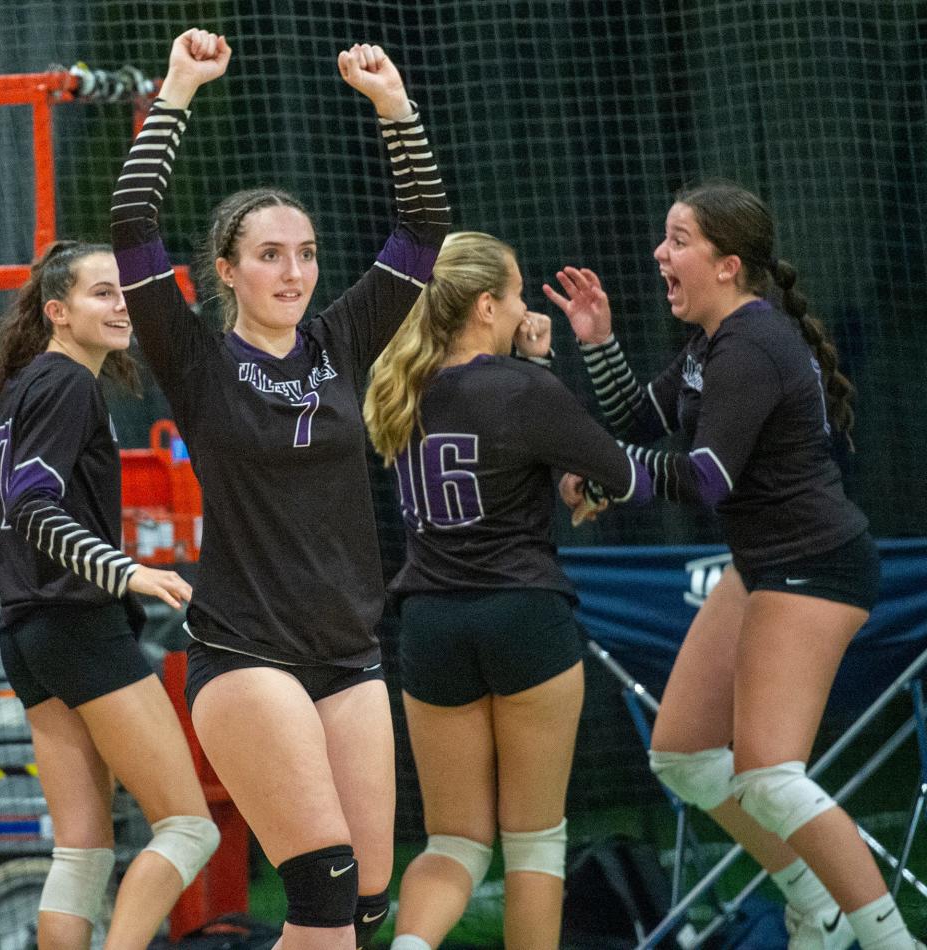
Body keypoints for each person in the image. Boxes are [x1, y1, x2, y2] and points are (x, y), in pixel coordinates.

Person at [110, 28, 450, 950]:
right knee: (325, 888)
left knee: (368, 903)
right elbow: (134, 226)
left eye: (303, 253)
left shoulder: (339, 342)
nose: (293, 271)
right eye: (268, 254)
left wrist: (394, 109)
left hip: (347, 653)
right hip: (247, 655)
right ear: (226, 271)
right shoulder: (194, 358)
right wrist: (177, 90)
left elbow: (423, 229)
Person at [546, 180, 923, 950]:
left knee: (769, 775)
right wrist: (597, 340)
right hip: (764, 565)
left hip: (815, 566)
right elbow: (643, 423)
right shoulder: (714, 343)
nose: (660, 252)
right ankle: (814, 905)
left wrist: (608, 476)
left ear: (729, 264)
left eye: (678, 239)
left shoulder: (753, 344)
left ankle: (891, 940)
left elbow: (707, 475)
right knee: (683, 757)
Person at [362, 231, 652, 950]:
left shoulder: (401, 386)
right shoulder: (526, 387)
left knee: (455, 842)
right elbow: (617, 472)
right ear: (487, 303)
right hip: (525, 617)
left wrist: (530, 366)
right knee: (534, 845)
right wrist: (541, 367)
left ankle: (408, 946)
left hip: (429, 625)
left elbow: (504, 446)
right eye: (518, 294)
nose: (525, 307)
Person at [0, 241, 219, 950]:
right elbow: (32, 508)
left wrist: (34, 576)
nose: (122, 306)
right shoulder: (67, 384)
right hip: (80, 628)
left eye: (123, 293)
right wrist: (125, 571)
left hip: (27, 636)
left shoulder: (26, 389)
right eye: (102, 294)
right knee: (190, 827)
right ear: (58, 312)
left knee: (81, 854)